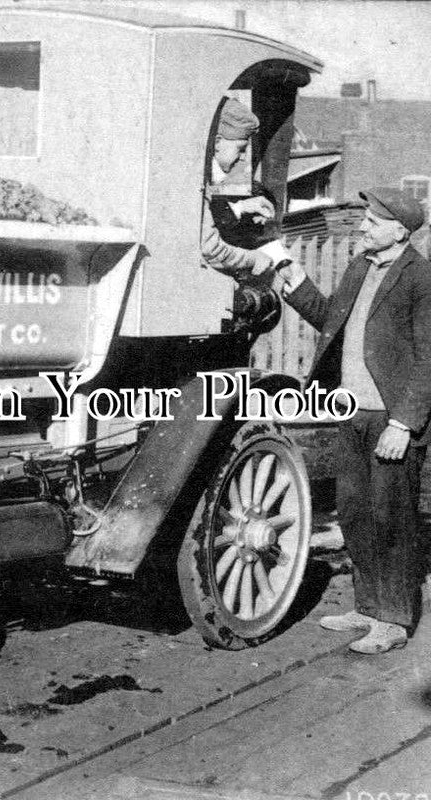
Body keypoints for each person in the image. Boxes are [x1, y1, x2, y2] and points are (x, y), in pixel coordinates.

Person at [277, 187, 431, 654]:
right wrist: (299, 287)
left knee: (393, 520)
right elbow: (333, 323)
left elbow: (429, 358)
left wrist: (403, 424)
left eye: (372, 221)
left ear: (399, 231)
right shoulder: (361, 267)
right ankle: (367, 607)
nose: (363, 227)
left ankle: (395, 620)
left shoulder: (422, 277)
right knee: (355, 515)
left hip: (390, 419)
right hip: (352, 412)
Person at [201, 98, 277, 276]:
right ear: (217, 142)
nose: (243, 157)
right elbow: (211, 250)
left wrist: (243, 207)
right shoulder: (201, 180)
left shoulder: (204, 175)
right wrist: (254, 258)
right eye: (241, 149)